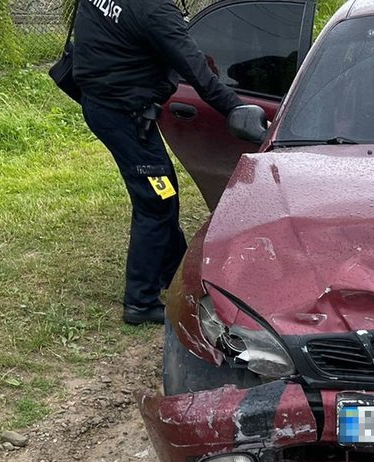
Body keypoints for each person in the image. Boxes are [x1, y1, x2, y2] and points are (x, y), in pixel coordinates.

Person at [72, 0, 245, 325]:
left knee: (162, 195)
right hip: (124, 116)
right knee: (156, 199)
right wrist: (236, 109)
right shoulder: (155, 11)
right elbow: (198, 72)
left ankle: (175, 271)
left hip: (103, 103)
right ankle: (140, 302)